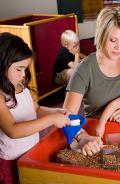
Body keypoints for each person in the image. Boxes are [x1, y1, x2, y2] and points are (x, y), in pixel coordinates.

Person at [63, 7, 120, 154]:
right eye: (113, 40)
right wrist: (83, 137)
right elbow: (67, 115)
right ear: (102, 35)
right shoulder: (83, 69)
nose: (118, 47)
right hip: (97, 139)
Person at [0, 32, 71, 184]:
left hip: (31, 152)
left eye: (25, 69)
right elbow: (13, 130)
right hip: (11, 161)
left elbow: (37, 110)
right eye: (19, 69)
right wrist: (52, 119)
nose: (23, 75)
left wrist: (56, 112)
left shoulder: (21, 87)